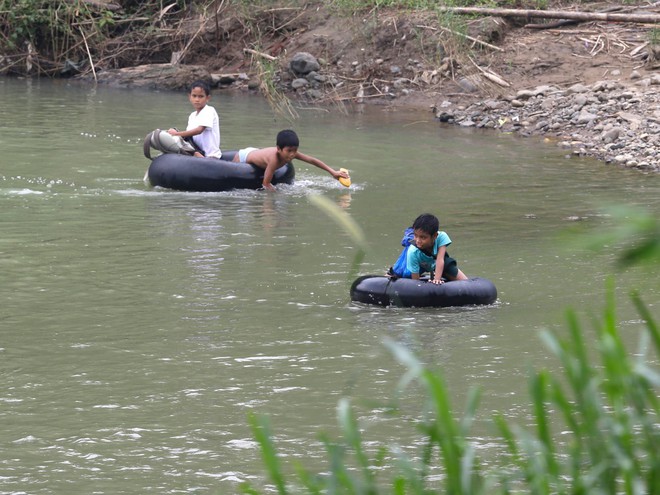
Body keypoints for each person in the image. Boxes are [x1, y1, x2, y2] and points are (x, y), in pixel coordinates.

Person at [232, 129, 349, 191]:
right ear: (279, 149)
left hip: (257, 152)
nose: (293, 154)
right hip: (243, 156)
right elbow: (266, 184)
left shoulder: (291, 153)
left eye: (295, 150)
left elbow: (312, 160)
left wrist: (332, 172)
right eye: (289, 151)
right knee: (232, 177)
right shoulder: (274, 160)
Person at [405, 213, 468, 285]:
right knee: (403, 273)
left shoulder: (441, 237)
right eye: (415, 236)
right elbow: (415, 281)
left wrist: (437, 279)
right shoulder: (412, 251)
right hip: (420, 264)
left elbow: (440, 259)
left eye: (423, 237)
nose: (418, 241)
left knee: (466, 283)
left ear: (435, 236)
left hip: (436, 262)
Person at [167, 80, 221, 159]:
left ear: (207, 98)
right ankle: (194, 154)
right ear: (189, 97)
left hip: (211, 156)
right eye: (194, 96)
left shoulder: (209, 110)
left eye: (201, 96)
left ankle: (199, 156)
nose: (197, 99)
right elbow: (189, 137)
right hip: (198, 152)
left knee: (177, 137)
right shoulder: (192, 116)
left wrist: (176, 134)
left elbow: (199, 130)